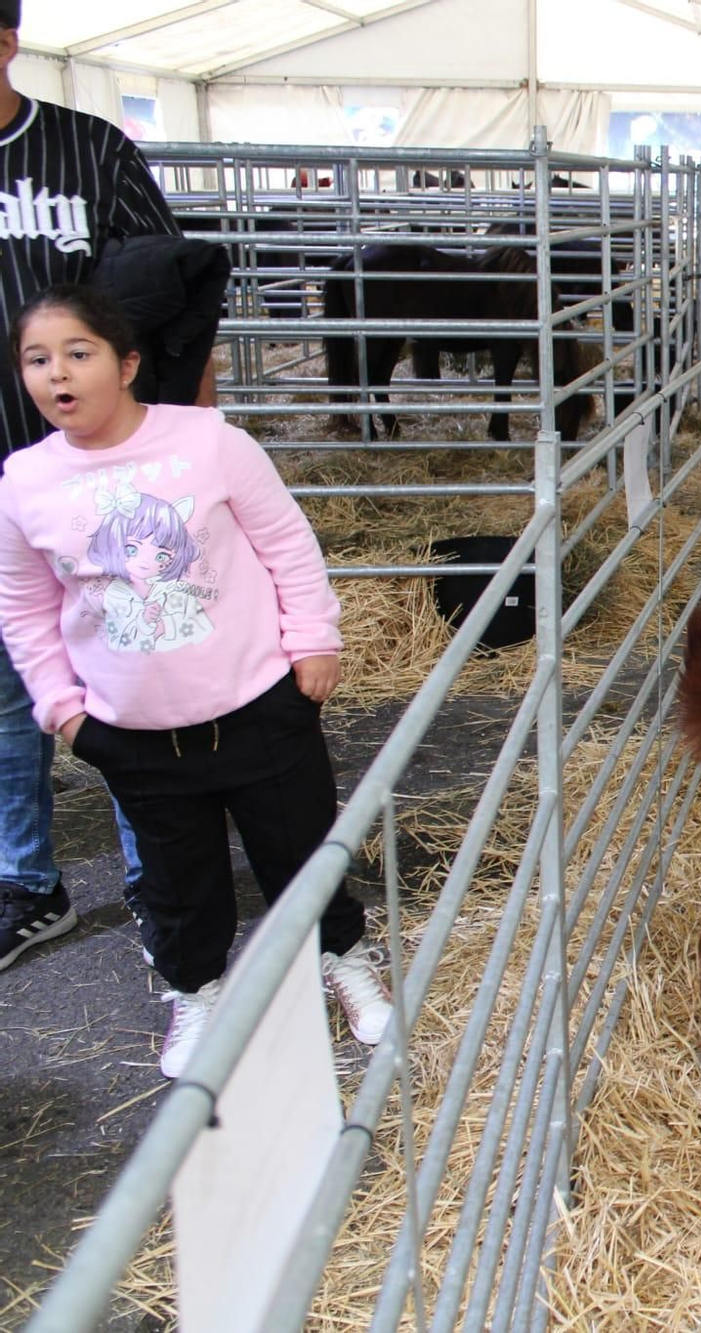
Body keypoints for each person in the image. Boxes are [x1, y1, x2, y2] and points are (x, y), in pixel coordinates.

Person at [0, 285, 394, 1077]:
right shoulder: (23, 481)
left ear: (128, 362)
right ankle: (197, 987)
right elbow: (25, 608)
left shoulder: (210, 443)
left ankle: (340, 957)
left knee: (299, 847)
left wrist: (313, 641)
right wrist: (65, 711)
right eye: (37, 360)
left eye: (79, 353)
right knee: (179, 882)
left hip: (257, 708)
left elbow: (287, 541)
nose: (58, 375)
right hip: (134, 732)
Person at [0, 0, 202, 971]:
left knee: (123, 673)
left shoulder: (89, 152)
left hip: (98, 479)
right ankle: (26, 881)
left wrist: (191, 437)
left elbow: (170, 291)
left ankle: (150, 879)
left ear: (7, 40)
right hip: (9, 481)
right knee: (8, 686)